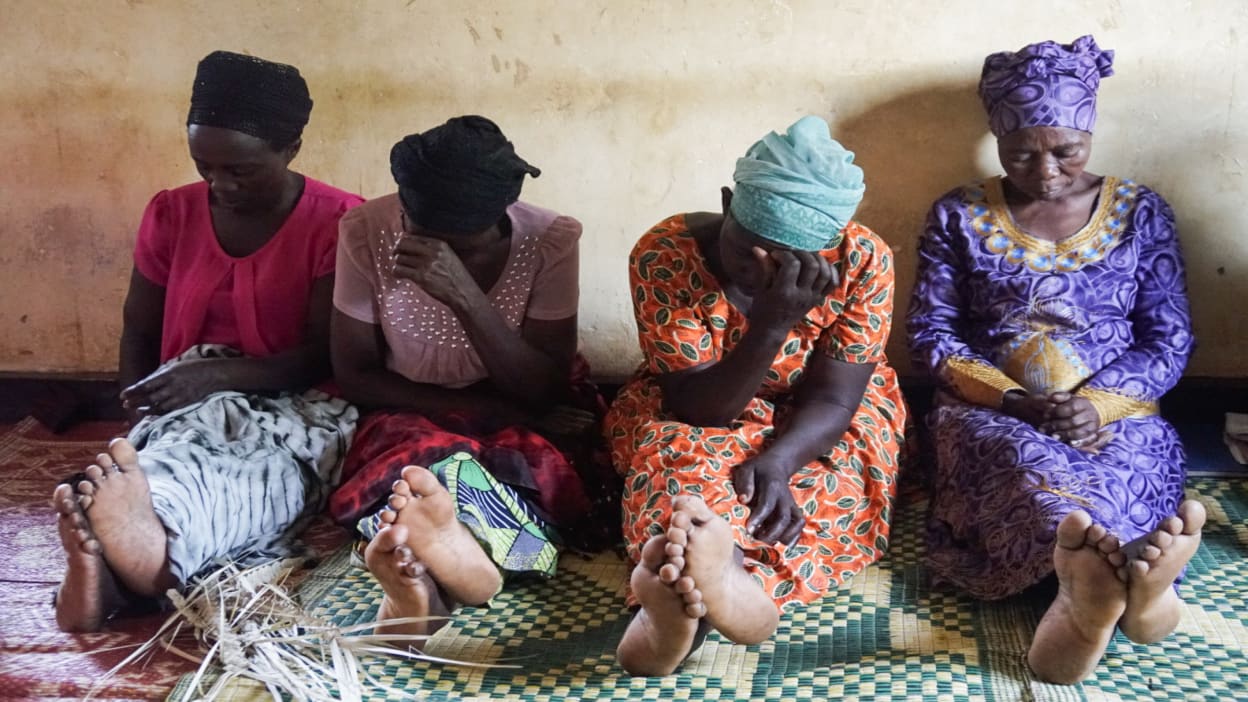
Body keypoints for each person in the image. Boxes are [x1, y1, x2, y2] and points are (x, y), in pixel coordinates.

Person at [906, 35, 1205, 684]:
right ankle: (1101, 590)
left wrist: (1094, 406)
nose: (1044, 172)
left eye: (1065, 151)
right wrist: (1014, 401)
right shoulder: (958, 215)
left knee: (1128, 466)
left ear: (1090, 133)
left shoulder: (1140, 214)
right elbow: (931, 333)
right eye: (1020, 154)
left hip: (1118, 412)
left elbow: (1169, 337)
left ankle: (1130, 595)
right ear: (995, 138)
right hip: (996, 414)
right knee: (1029, 475)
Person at [51, 51, 361, 632]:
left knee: (251, 482)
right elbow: (139, 328)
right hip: (187, 400)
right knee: (170, 462)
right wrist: (138, 417)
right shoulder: (171, 213)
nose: (219, 183)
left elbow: (328, 354)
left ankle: (124, 575)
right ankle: (124, 561)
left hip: (296, 406)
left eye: (240, 169)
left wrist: (220, 377)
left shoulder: (340, 222)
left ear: (290, 148)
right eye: (204, 165)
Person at [604, 115, 907, 676]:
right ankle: (696, 598)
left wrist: (779, 460)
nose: (756, 270)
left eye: (785, 261)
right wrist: (772, 323)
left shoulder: (863, 261)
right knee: (678, 456)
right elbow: (701, 409)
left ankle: (723, 591)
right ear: (726, 203)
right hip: (699, 399)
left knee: (824, 477)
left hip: (822, 411)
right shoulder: (665, 253)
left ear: (828, 249)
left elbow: (837, 401)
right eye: (745, 248)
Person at [329, 116, 606, 645]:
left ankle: (447, 574)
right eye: (424, 238)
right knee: (415, 465)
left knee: (539, 468)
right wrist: (496, 412)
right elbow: (356, 375)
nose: (441, 256)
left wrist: (464, 295)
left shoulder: (550, 240)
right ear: (405, 209)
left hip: (527, 406)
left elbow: (544, 388)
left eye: (463, 247)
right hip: (412, 408)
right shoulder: (365, 231)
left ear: (501, 216)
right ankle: (449, 576)